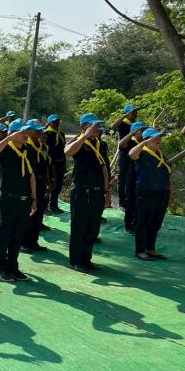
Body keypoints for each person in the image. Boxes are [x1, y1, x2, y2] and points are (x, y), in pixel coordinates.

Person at [0, 119, 37, 281]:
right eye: (22, 132)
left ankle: (13, 266)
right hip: (8, 198)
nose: (26, 134)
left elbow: (31, 175)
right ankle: (2, 267)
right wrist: (8, 138)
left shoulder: (28, 150)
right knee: (5, 233)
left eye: (27, 131)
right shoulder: (6, 149)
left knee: (18, 234)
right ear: (13, 133)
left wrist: (34, 198)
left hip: (24, 199)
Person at [64, 113, 111, 273]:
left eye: (98, 125)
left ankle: (86, 259)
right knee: (79, 227)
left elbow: (104, 168)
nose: (97, 128)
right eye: (93, 125)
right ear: (83, 126)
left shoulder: (100, 144)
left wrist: (107, 191)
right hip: (82, 191)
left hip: (97, 191)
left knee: (93, 228)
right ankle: (76, 260)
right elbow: (68, 152)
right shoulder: (78, 141)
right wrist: (84, 136)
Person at [128, 128, 171, 260]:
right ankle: (140, 250)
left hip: (161, 192)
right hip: (146, 191)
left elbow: (166, 174)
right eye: (155, 138)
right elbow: (131, 154)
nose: (158, 140)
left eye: (159, 138)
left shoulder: (160, 154)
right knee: (143, 221)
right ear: (147, 140)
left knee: (156, 221)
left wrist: (169, 192)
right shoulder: (141, 152)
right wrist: (144, 143)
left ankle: (150, 248)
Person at [21, 120, 49, 253]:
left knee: (38, 213)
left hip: (41, 183)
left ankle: (33, 240)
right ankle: (23, 242)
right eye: (36, 130)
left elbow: (45, 164)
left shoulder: (41, 146)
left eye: (40, 130)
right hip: (29, 184)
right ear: (29, 131)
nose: (40, 132)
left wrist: (48, 181)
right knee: (28, 213)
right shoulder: (25, 146)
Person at [117, 121, 146, 234]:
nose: (142, 132)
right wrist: (132, 133)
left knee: (140, 200)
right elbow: (121, 144)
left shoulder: (143, 143)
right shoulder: (130, 142)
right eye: (140, 130)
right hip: (130, 175)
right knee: (130, 200)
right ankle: (128, 224)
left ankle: (138, 222)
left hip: (141, 175)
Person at [111, 104, 139, 211]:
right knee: (123, 178)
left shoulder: (136, 124)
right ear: (127, 113)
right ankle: (122, 203)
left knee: (133, 178)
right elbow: (113, 127)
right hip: (125, 153)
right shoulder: (123, 123)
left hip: (135, 153)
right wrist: (124, 116)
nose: (135, 114)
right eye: (132, 112)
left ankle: (131, 200)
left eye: (135, 112)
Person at [44, 114, 66, 213]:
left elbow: (62, 148)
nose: (57, 123)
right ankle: (45, 206)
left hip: (60, 162)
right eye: (54, 121)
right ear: (49, 123)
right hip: (51, 162)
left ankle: (53, 204)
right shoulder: (47, 134)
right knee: (50, 184)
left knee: (58, 185)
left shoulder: (61, 133)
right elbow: (48, 150)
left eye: (58, 121)